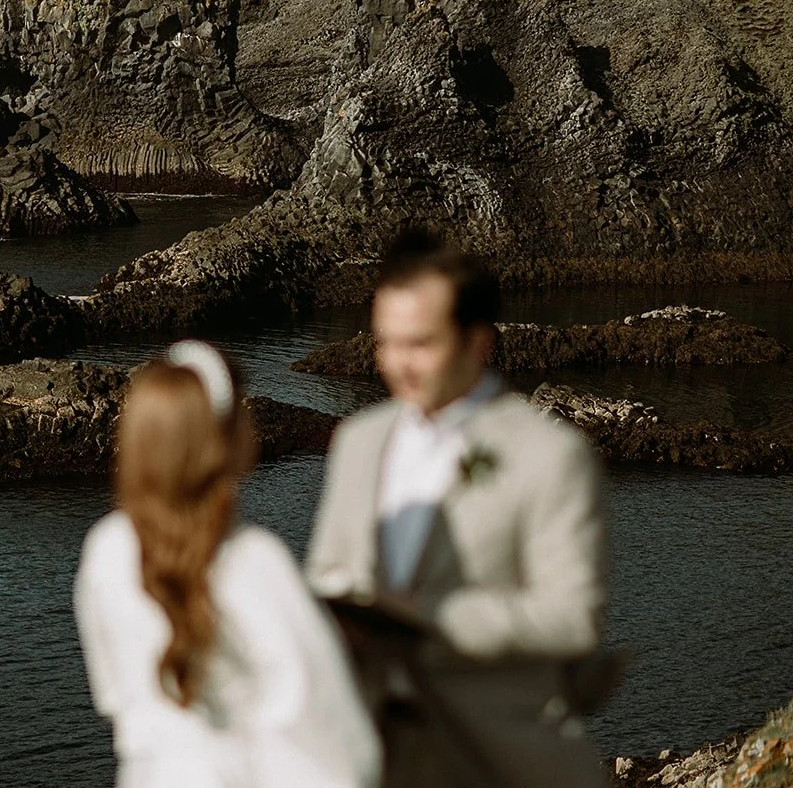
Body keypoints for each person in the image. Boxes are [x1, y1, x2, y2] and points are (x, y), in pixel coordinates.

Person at [305, 229, 610, 788]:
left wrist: (423, 614)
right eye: (385, 343)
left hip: (504, 759)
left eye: (419, 343)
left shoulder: (550, 454)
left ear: (477, 342)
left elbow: (574, 618)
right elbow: (329, 572)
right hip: (374, 758)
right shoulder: (357, 440)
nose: (398, 364)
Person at [74, 340, 381, 788]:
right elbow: (329, 722)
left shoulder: (105, 550)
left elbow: (112, 693)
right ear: (223, 439)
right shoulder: (250, 562)